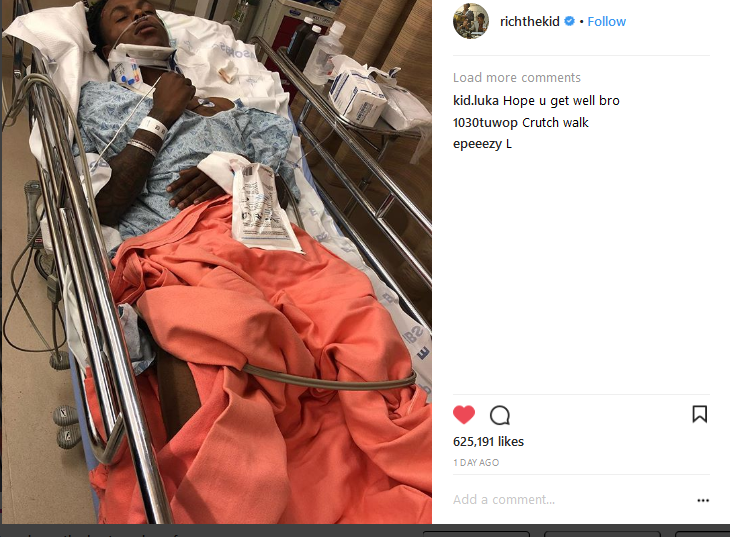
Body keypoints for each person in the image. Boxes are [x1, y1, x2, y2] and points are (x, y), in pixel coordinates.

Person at [80, 0, 295, 242]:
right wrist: (160, 115)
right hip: (179, 244)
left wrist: (238, 174)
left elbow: (282, 192)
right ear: (109, 52)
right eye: (122, 17)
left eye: (149, 11)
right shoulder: (101, 100)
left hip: (259, 240)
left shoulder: (223, 107)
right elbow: (104, 208)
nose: (140, 14)